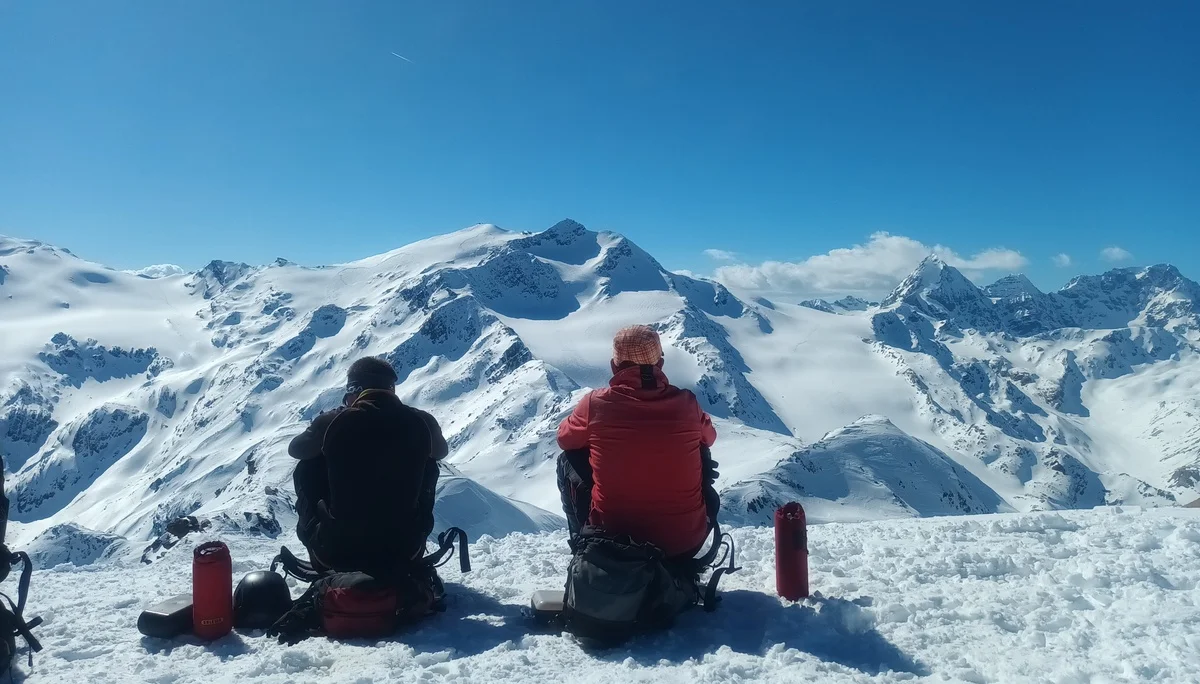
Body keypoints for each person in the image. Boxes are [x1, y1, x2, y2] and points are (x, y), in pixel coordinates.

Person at [553, 325, 721, 643]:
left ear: (614, 366)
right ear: (660, 364)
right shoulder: (687, 403)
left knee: (569, 460)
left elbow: (565, 439)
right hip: (684, 543)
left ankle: (589, 551)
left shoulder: (595, 403)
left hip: (613, 540)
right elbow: (709, 437)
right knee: (698, 450)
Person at [287, 357, 448, 580]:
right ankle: (413, 535)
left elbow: (296, 449)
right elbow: (441, 451)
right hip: (405, 550)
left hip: (334, 553)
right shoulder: (421, 422)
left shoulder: (334, 421)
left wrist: (329, 431)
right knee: (429, 463)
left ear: (354, 389)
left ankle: (322, 540)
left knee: (307, 465)